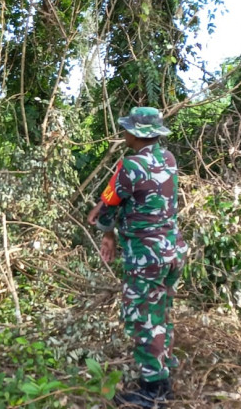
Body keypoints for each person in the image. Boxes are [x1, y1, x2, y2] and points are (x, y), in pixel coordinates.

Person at [87, 107, 187, 409]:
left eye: (128, 128)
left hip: (147, 256)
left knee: (144, 319)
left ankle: (153, 391)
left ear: (137, 133)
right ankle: (163, 375)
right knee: (161, 313)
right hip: (172, 251)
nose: (124, 133)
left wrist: (107, 231)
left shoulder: (130, 166)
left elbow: (108, 206)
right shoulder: (168, 159)